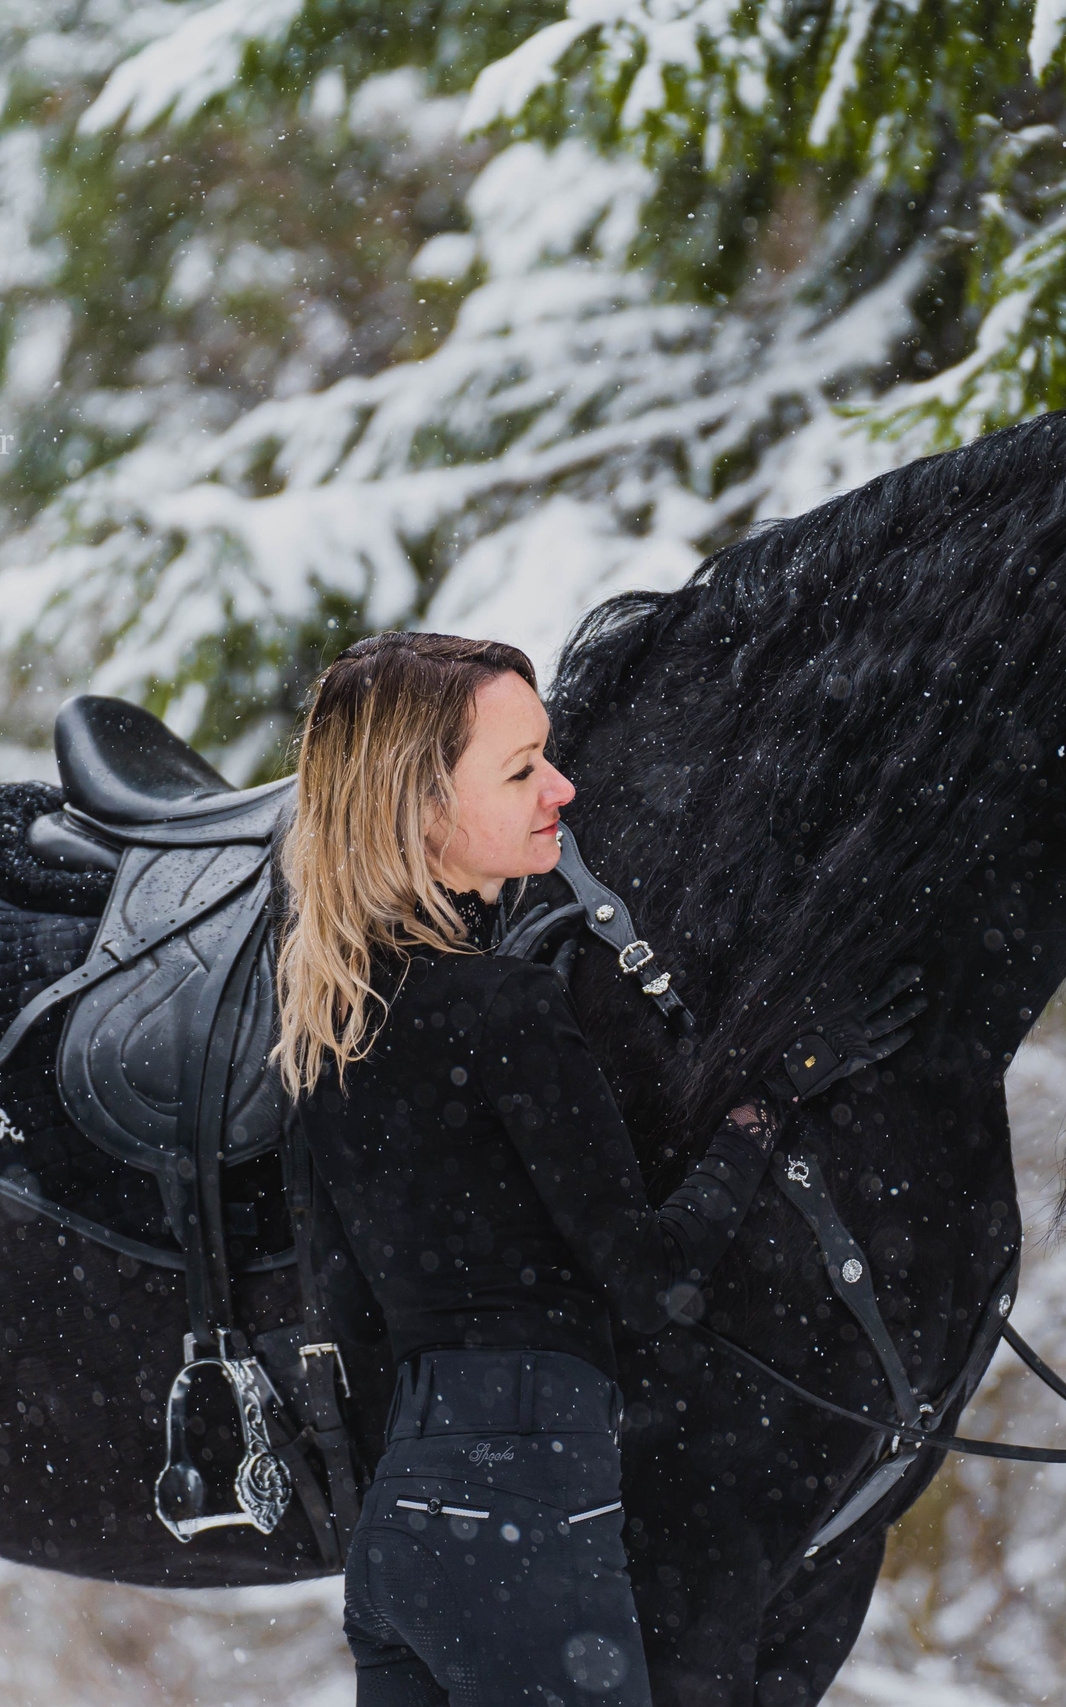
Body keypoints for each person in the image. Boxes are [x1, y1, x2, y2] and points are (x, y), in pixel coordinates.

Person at [274, 632, 922, 1707]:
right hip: (523, 1524)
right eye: (522, 768)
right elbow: (650, 1281)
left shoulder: (326, 1032)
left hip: (403, 1537)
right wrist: (771, 1100)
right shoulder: (509, 1011)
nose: (562, 789)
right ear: (423, 809)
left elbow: (349, 1304)